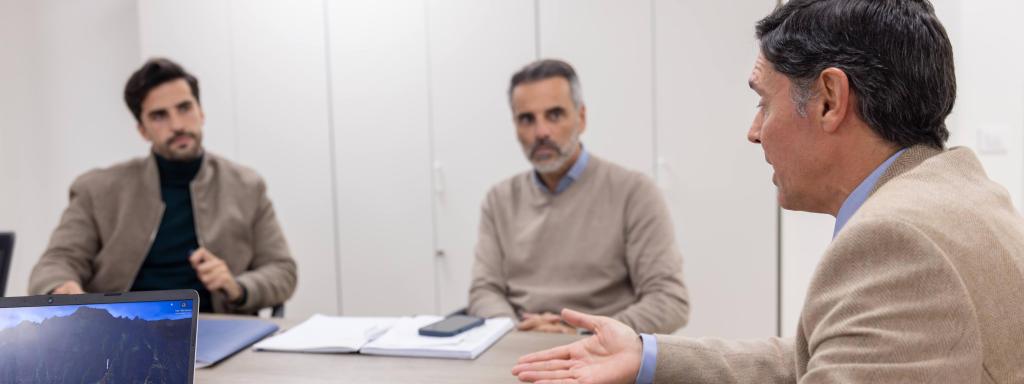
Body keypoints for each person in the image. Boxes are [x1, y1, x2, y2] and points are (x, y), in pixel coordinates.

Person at [511, 0, 1024, 382]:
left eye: (763, 103)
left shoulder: (899, 243)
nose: (754, 131)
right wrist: (645, 354)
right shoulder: (955, 191)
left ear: (829, 99)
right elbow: (814, 357)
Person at [29, 58, 297, 314]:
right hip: (126, 331)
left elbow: (282, 270)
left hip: (219, 328)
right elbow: (55, 263)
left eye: (184, 108)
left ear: (201, 112)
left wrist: (237, 287)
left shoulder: (246, 186)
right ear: (142, 130)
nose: (177, 125)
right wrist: (61, 287)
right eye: (159, 116)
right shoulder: (97, 190)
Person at [468, 59, 689, 335]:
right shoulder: (499, 200)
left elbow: (669, 300)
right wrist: (518, 331)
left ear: (581, 118)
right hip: (519, 348)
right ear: (515, 126)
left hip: (603, 353)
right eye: (527, 119)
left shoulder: (633, 192)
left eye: (555, 115)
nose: (541, 132)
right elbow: (484, 291)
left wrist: (582, 334)